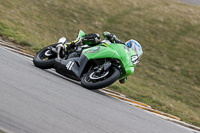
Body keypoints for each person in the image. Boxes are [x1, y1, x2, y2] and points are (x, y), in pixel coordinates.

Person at [57, 31, 143, 84]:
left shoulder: (126, 62)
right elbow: (106, 34)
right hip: (95, 48)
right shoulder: (120, 44)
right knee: (96, 37)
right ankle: (69, 45)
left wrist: (123, 75)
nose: (135, 53)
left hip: (103, 61)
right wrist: (111, 36)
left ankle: (91, 72)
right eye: (135, 50)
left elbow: (122, 81)